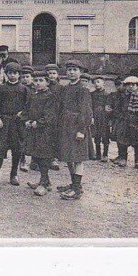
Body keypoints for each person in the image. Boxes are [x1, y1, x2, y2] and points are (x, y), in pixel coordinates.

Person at [56, 60, 93, 200]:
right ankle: (74, 183)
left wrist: (81, 130)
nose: (71, 72)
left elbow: (85, 111)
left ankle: (77, 189)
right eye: (69, 69)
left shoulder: (83, 90)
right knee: (68, 156)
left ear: (81, 72)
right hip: (65, 126)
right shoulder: (65, 89)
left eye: (75, 69)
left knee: (78, 158)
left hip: (77, 126)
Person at [0, 61, 27, 186]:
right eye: (10, 73)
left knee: (17, 149)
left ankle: (14, 174)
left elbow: (28, 106)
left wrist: (22, 114)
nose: (12, 75)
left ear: (19, 75)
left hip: (17, 122)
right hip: (4, 121)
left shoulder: (23, 89)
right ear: (6, 74)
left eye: (15, 73)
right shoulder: (1, 88)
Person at [23, 71, 59, 196]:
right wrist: (26, 120)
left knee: (44, 156)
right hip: (34, 130)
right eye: (36, 80)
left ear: (47, 82)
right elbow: (27, 110)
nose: (38, 83)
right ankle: (45, 181)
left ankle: (43, 184)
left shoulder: (50, 96)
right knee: (36, 155)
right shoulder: (33, 95)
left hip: (45, 131)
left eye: (41, 81)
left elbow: (50, 115)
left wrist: (38, 123)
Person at [112, 75, 138, 169]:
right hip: (124, 121)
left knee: (137, 142)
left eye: (133, 85)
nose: (131, 86)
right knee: (123, 140)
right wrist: (120, 116)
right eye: (128, 85)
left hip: (136, 121)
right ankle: (123, 158)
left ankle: (137, 160)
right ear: (125, 86)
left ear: (137, 86)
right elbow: (118, 107)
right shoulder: (123, 96)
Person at [90, 75, 111, 162]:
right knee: (96, 136)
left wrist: (109, 119)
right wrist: (91, 117)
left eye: (98, 82)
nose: (96, 84)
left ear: (103, 83)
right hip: (95, 118)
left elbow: (109, 108)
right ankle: (98, 154)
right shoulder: (92, 94)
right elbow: (90, 106)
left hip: (104, 119)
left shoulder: (107, 95)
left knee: (105, 136)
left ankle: (105, 154)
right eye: (95, 83)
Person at [107, 76, 127, 163]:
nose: (120, 86)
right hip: (116, 119)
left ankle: (124, 158)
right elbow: (109, 106)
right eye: (117, 84)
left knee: (124, 138)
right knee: (118, 138)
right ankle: (120, 155)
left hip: (125, 120)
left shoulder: (128, 95)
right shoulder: (113, 95)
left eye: (122, 84)